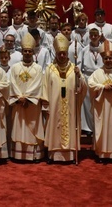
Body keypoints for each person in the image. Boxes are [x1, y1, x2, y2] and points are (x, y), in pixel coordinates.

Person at [43, 34, 87, 163]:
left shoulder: (75, 69)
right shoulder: (49, 70)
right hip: (54, 107)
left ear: (67, 53)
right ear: (56, 54)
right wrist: (46, 106)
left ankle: (71, 155)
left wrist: (80, 78)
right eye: (59, 53)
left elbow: (82, 87)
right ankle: (53, 155)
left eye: (64, 53)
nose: (62, 56)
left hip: (70, 106)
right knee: (55, 128)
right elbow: (45, 88)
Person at [9, 33, 44, 161]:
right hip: (19, 103)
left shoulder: (38, 68)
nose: (28, 53)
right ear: (22, 52)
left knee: (32, 128)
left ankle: (33, 155)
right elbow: (12, 82)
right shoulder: (15, 68)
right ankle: (18, 154)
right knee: (19, 126)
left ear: (33, 52)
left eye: (30, 51)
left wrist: (27, 97)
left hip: (32, 104)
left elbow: (38, 84)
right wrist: (19, 97)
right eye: (25, 51)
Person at [88, 40, 112, 162]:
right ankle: (101, 153)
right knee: (102, 128)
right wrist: (103, 87)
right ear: (102, 59)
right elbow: (91, 85)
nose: (108, 60)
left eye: (110, 58)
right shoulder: (97, 73)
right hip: (102, 107)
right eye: (106, 58)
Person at [78, 28, 103, 134]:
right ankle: (88, 127)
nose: (93, 37)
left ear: (99, 36)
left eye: (95, 35)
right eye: (91, 35)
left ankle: (99, 126)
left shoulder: (103, 48)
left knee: (99, 103)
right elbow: (79, 64)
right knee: (88, 103)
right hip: (88, 77)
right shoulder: (84, 50)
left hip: (100, 77)